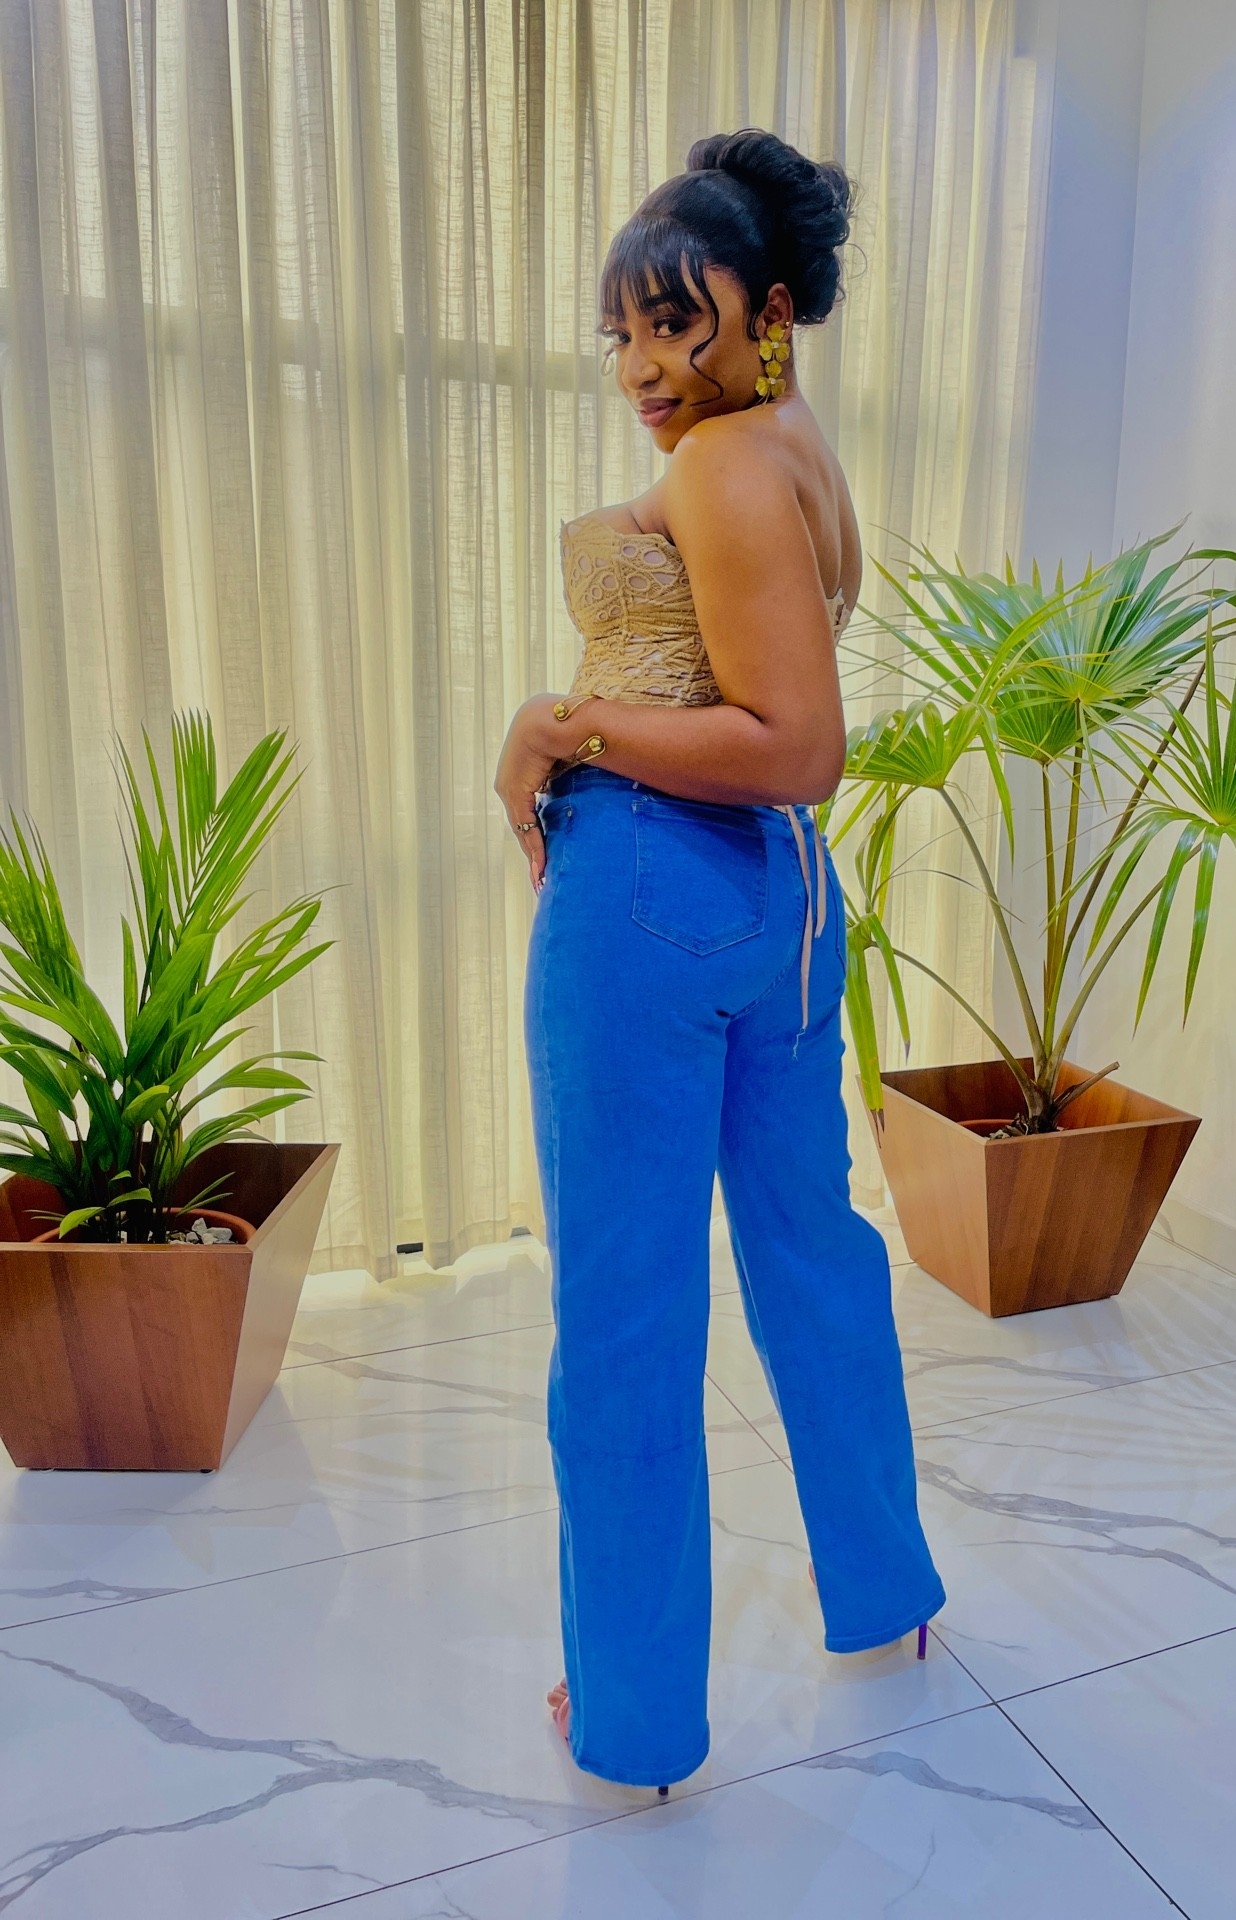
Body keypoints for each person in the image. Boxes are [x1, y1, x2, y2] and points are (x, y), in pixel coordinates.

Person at [494, 126, 945, 1794]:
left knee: (623, 1306)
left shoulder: (720, 464)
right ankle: (886, 1594)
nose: (645, 367)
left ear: (770, 313)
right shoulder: (800, 446)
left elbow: (797, 743)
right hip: (786, 909)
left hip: (653, 885)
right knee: (812, 1250)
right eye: (623, 331)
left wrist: (557, 726)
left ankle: (631, 1720)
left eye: (679, 323)